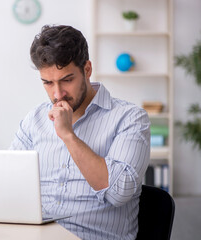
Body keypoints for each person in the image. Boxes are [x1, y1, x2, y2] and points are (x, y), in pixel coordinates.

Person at [10, 25, 150, 240]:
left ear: (87, 69)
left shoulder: (130, 118)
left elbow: (119, 193)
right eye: (48, 83)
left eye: (67, 80)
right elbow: (8, 180)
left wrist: (68, 136)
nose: (58, 94)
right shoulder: (34, 119)